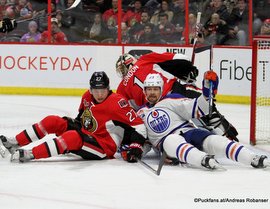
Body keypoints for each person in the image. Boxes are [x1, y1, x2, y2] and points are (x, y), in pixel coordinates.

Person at [0, 71, 146, 163]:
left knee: (72, 137)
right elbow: (82, 117)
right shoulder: (87, 96)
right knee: (52, 121)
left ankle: (30, 154)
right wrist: (70, 124)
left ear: (108, 89)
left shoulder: (117, 102)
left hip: (103, 146)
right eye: (96, 90)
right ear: (90, 89)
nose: (99, 94)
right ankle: (15, 142)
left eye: (103, 90)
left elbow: (138, 124)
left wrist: (137, 145)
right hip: (87, 134)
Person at [136, 73, 270, 170]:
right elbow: (142, 139)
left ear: (161, 89)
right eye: (149, 89)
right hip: (167, 144)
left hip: (189, 132)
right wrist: (136, 150)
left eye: (155, 89)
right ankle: (204, 160)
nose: (152, 92)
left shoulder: (171, 100)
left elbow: (197, 108)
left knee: (215, 140)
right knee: (171, 140)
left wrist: (207, 91)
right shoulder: (140, 114)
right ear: (144, 91)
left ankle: (253, 158)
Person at [115, 52, 239, 141]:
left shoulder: (121, 88)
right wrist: (187, 70)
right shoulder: (144, 59)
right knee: (204, 103)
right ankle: (223, 131)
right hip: (174, 91)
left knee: (170, 131)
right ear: (132, 60)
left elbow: (126, 113)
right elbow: (177, 58)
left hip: (156, 108)